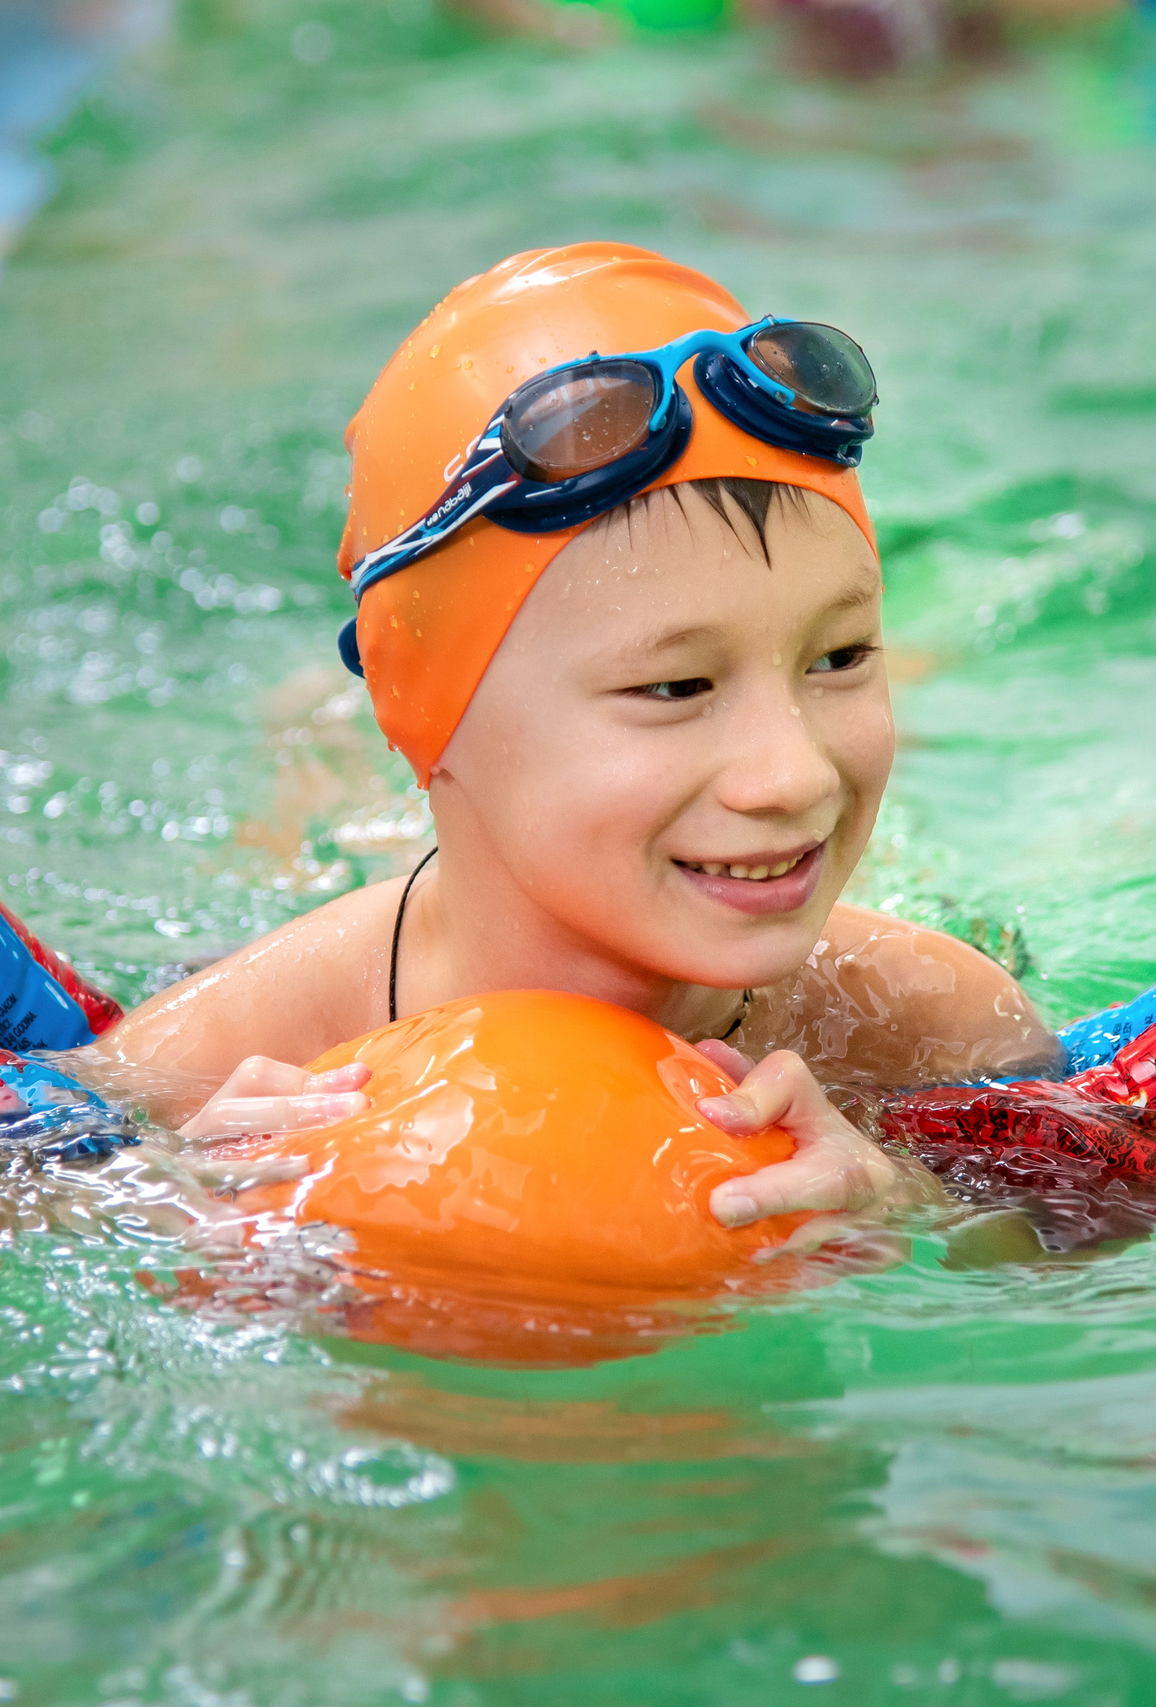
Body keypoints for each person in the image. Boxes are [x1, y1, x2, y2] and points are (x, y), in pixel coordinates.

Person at [87, 242, 1062, 1236]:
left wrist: (908, 1205)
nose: (793, 773)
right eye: (675, 684)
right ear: (423, 708)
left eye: (841, 657)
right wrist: (153, 1208)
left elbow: (1105, 1261)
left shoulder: (929, 1024)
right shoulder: (219, 1053)